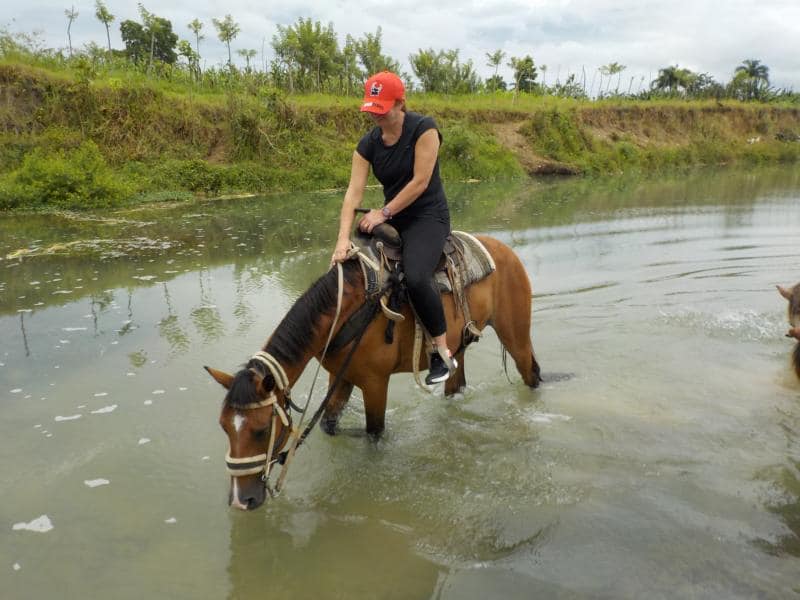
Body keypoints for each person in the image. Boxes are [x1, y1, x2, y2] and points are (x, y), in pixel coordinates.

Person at [331, 71, 456, 384]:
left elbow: (420, 182)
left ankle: (440, 351)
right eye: (372, 109)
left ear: (400, 103)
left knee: (416, 276)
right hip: (393, 217)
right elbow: (353, 193)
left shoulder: (424, 129)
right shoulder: (368, 144)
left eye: (382, 109)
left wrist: (383, 212)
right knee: (354, 264)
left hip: (427, 216)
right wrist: (342, 240)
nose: (376, 115)